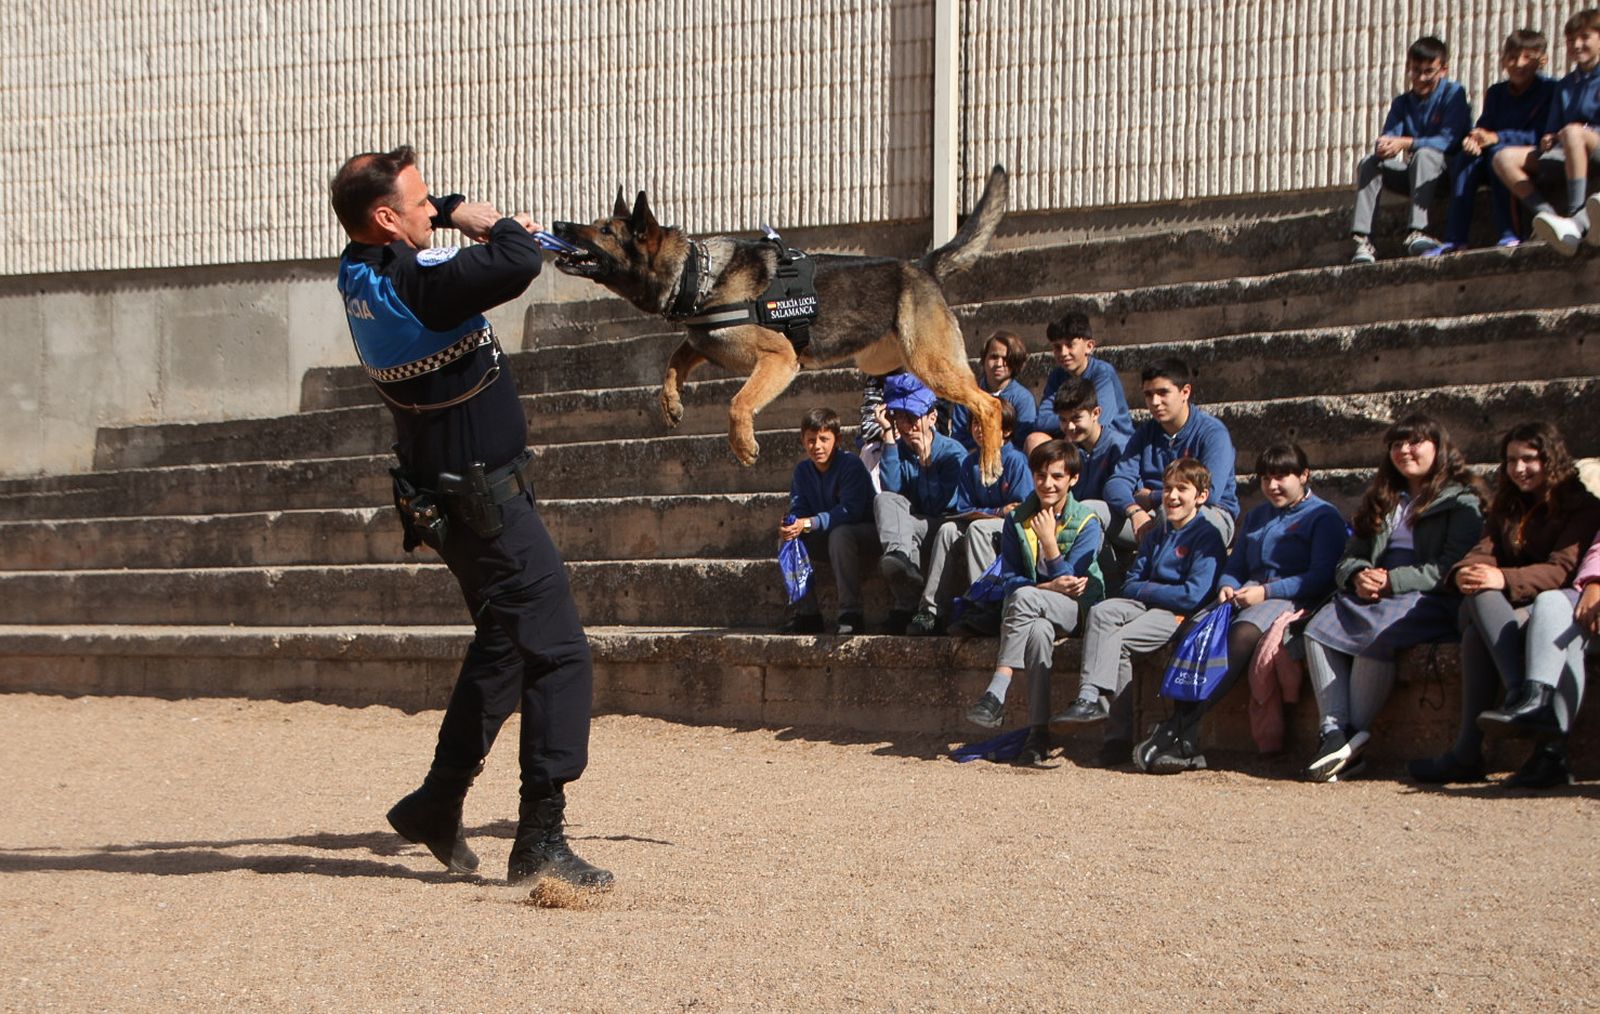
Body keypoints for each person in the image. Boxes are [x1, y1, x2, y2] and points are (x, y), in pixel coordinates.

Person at [330, 146, 612, 892]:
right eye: (420, 202)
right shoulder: (419, 285)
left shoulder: (359, 271)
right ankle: (541, 840)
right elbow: (517, 263)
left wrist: (455, 217)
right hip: (486, 503)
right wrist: (476, 217)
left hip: (454, 499)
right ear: (386, 219)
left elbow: (463, 267)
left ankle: (437, 801)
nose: (433, 208)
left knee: (506, 642)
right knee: (560, 652)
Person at [1132, 444, 1347, 773]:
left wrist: (1266, 591)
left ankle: (1176, 728)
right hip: (1247, 593)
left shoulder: (1323, 516)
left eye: (1281, 477)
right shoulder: (1259, 515)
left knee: (1242, 635)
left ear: (1304, 476)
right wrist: (1226, 586)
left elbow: (1319, 576)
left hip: (1291, 596)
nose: (1272, 486)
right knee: (1190, 630)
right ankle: (1186, 742)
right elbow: (1236, 563)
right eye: (1265, 478)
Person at [1408, 422, 1600, 786]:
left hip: (1558, 603)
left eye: (1529, 459)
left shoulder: (1582, 506)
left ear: (1551, 459)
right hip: (1516, 605)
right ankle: (1520, 697)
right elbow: (1484, 550)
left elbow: (1563, 569)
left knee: (1479, 635)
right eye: (1511, 460)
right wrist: (1466, 571)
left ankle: (1475, 750)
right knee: (1479, 591)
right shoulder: (1507, 504)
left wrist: (1505, 579)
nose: (1519, 469)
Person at [1300, 414, 1485, 782]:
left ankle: (1351, 741)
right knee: (1318, 626)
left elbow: (1450, 566)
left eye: (1414, 442)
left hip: (1427, 594)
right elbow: (1351, 554)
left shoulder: (1462, 500)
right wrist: (1356, 575)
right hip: (1375, 587)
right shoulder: (1384, 498)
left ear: (1439, 448)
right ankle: (1334, 732)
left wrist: (1392, 581)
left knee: (1377, 635)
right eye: (1397, 444)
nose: (1404, 450)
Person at [1052, 457, 1229, 766]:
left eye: (1182, 490)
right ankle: (1088, 697)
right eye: (1169, 489)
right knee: (1103, 612)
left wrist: (1149, 589)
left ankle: (1117, 737)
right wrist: (1148, 589)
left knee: (1117, 640)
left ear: (1200, 496)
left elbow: (1192, 595)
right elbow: (1131, 581)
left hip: (1176, 615)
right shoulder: (1158, 530)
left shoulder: (1207, 536)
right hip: (1146, 604)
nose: (1172, 497)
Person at [962, 439, 1105, 765]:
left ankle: (997, 689)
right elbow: (1009, 578)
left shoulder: (1087, 520)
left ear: (1073, 479)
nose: (1048, 484)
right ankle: (1038, 734)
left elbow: (1075, 583)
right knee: (1038, 633)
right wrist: (1047, 584)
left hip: (1078, 610)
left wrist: (1050, 544)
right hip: (1036, 609)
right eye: (1041, 476)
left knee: (1026, 597)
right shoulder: (1016, 520)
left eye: (1057, 476)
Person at [908, 399, 1033, 636]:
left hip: (1008, 529)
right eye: (976, 423)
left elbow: (1020, 508)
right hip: (983, 520)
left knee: (977, 529)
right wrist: (996, 511)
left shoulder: (1015, 460)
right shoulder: (970, 462)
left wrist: (994, 514)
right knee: (947, 530)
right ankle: (931, 610)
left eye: (987, 424)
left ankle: (985, 604)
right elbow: (964, 506)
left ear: (1005, 431)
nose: (979, 429)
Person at [1427, 30, 1554, 255]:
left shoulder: (1549, 90)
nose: (1518, 64)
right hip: (1496, 153)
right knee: (1467, 157)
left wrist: (1497, 138)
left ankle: (1511, 232)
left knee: (1497, 152)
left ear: (1540, 60)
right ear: (1503, 60)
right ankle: (1455, 238)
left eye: (1526, 57)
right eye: (1512, 57)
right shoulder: (1496, 93)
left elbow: (1542, 133)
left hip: (1530, 156)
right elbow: (1485, 125)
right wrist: (1474, 139)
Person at [1349, 35, 1472, 264]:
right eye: (1416, 71)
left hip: (1447, 174)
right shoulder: (1402, 103)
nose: (1421, 78)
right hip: (1415, 175)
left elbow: (1449, 141)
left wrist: (1407, 143)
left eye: (1429, 72)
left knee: (1425, 155)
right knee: (1369, 163)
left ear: (1443, 70)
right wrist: (1384, 147)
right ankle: (1363, 240)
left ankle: (1419, 231)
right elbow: (1390, 137)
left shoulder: (1454, 95)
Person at [1102, 358, 1239, 558]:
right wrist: (1134, 510)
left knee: (1172, 513)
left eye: (1163, 393)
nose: (1155, 402)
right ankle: (1106, 584)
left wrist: (1153, 497)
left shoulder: (1212, 433)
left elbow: (1210, 493)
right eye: (1148, 395)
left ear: (1185, 392)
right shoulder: (1145, 433)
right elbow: (1117, 482)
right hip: (1150, 517)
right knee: (1091, 511)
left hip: (1209, 515)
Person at [1492, 10, 1600, 255]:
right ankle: (1550, 216)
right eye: (1571, 40)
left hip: (1594, 146)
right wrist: (1549, 138)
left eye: (1585, 37)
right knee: (1503, 157)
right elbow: (1552, 129)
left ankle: (1575, 213)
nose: (1577, 44)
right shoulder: (1565, 85)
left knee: (1573, 132)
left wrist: (1580, 132)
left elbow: (1574, 131)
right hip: (1570, 151)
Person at [868, 372, 966, 634]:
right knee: (884, 501)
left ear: (932, 417)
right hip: (912, 524)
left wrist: (926, 463)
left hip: (945, 521)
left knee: (914, 528)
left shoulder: (952, 452)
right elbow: (892, 492)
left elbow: (939, 505)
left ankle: (921, 609)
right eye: (899, 418)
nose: (906, 426)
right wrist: (889, 438)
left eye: (912, 418)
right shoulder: (898, 448)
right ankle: (901, 562)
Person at [778, 407, 878, 636]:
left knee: (840, 533)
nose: (817, 446)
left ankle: (851, 613)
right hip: (827, 535)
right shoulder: (802, 471)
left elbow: (849, 512)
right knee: (787, 540)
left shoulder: (850, 465)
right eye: (811, 440)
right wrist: (791, 523)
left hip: (863, 535)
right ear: (803, 441)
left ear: (838, 439)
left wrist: (808, 523)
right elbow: (799, 507)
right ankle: (807, 613)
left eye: (824, 439)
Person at [1028, 312, 1133, 453]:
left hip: (1109, 442)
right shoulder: (1057, 376)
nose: (1063, 353)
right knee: (1035, 440)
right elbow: (1043, 420)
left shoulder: (1102, 373)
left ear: (1089, 346)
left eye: (1070, 345)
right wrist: (1072, 422)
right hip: (1073, 435)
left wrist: (1068, 422)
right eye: (1057, 347)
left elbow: (1101, 420)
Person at [949, 331, 1037, 451]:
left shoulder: (1023, 399)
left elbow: (1021, 441)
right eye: (994, 357)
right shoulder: (968, 396)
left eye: (1006, 358)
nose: (999, 364)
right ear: (984, 359)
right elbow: (959, 438)